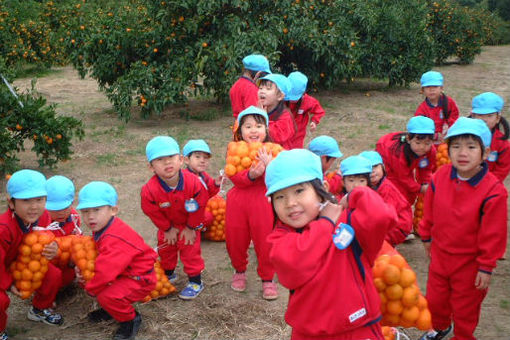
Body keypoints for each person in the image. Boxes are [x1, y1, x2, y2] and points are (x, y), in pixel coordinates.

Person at [265, 149, 397, 340]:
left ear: (322, 189)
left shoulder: (348, 223)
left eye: (299, 190)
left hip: (359, 328)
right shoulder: (281, 238)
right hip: (310, 333)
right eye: (280, 197)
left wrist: (355, 195)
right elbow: (295, 263)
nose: (290, 203)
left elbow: (381, 216)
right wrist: (325, 224)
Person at [418, 117, 507, 340]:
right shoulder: (440, 177)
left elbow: (494, 233)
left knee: (465, 306)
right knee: (436, 299)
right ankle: (439, 327)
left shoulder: (493, 192)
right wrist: (426, 235)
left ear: (485, 153)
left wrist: (486, 266)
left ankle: (463, 335)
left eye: (470, 146)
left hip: (470, 263)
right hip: (440, 255)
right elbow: (429, 210)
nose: (462, 153)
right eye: (455, 146)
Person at [77, 181, 157, 340]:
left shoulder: (114, 238)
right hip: (126, 272)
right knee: (105, 291)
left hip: (140, 278)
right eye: (85, 211)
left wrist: (91, 287)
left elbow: (106, 272)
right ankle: (112, 309)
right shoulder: (104, 227)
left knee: (107, 296)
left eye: (97, 210)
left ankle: (131, 319)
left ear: (113, 210)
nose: (90, 216)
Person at [141, 136, 208, 299]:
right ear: (151, 167)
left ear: (180, 160)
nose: (167, 163)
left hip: (189, 224)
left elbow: (200, 205)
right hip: (168, 226)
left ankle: (195, 281)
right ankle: (168, 273)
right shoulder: (150, 190)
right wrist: (167, 228)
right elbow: (151, 211)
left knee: (190, 251)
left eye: (171, 157)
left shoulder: (193, 183)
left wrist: (191, 227)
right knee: (166, 250)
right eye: (160, 159)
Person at [1, 170, 62, 340]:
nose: (34, 206)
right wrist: (8, 283)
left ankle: (39, 309)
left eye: (39, 199)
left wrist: (53, 248)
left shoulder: (43, 218)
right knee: (1, 301)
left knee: (53, 275)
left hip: (23, 264)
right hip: (2, 268)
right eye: (26, 200)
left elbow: (49, 238)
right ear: (11, 203)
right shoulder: (4, 228)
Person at [226, 106, 278, 300]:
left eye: (258, 125)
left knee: (265, 240)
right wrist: (251, 175)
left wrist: (270, 166)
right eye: (248, 126)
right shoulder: (234, 150)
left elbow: (281, 177)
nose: (254, 130)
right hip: (238, 201)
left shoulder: (273, 151)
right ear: (240, 131)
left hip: (262, 201)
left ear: (266, 130)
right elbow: (234, 176)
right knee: (235, 238)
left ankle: (267, 278)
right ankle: (239, 270)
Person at [376, 116, 437, 205]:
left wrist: (426, 183)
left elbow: (426, 168)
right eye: (417, 143)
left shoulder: (430, 151)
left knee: (411, 194)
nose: (422, 147)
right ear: (409, 139)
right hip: (387, 158)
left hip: (403, 166)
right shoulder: (398, 154)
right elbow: (404, 178)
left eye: (427, 143)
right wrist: (420, 189)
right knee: (396, 191)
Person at [359, 151, 413, 246]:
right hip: (390, 224)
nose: (372, 171)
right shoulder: (371, 186)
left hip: (399, 225)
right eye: (368, 168)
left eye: (376, 166)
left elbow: (388, 216)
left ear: (383, 168)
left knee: (374, 242)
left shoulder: (387, 189)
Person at [45, 175, 83, 290]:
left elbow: (78, 240)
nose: (61, 213)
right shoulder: (41, 224)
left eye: (65, 207)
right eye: (55, 209)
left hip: (66, 261)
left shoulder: (74, 217)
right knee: (50, 277)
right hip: (49, 262)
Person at [469, 92, 510, 182]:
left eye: (489, 116)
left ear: (498, 118)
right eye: (480, 115)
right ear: (473, 116)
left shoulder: (502, 144)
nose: (484, 119)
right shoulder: (463, 136)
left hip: (490, 186)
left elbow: (502, 169)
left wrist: (487, 184)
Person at [182, 139, 223, 228]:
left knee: (208, 217)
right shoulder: (184, 178)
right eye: (197, 157)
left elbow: (208, 193)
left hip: (199, 210)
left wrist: (216, 184)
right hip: (187, 212)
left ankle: (197, 227)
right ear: (186, 160)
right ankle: (191, 228)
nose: (202, 160)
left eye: (205, 158)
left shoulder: (204, 176)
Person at [414, 71, 459, 144]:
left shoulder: (449, 102)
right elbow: (419, 128)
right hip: (430, 142)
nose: (432, 90)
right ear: (423, 90)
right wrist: (434, 136)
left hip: (448, 139)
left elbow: (454, 116)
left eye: (435, 86)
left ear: (441, 88)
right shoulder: (422, 109)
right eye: (428, 87)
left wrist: (449, 129)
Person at [286, 71, 325, 148]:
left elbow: (319, 111)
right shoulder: (280, 98)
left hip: (298, 136)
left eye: (295, 97)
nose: (292, 100)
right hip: (284, 133)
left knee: (296, 155)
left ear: (303, 92)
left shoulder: (307, 101)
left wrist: (314, 121)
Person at [257, 74, 297, 150]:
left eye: (268, 89)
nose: (262, 91)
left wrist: (263, 119)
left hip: (280, 155)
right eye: (260, 88)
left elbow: (278, 137)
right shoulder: (258, 110)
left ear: (280, 96)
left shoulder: (285, 116)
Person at [229, 54, 271, 119]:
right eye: (263, 74)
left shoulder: (236, 85)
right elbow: (254, 115)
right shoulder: (251, 89)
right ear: (258, 73)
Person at [308, 135, 343, 200]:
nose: (332, 164)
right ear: (323, 158)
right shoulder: (315, 175)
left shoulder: (307, 165)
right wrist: (338, 176)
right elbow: (329, 186)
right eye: (333, 160)